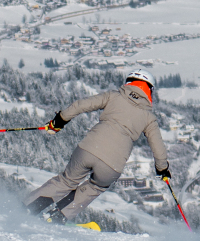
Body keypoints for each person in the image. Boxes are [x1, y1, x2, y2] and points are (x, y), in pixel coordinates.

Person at [24, 71, 170, 223]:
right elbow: (159, 149)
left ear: (129, 83)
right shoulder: (149, 118)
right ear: (149, 90)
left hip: (89, 149)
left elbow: (80, 105)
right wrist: (162, 170)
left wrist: (59, 121)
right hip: (112, 165)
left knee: (66, 182)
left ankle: (27, 208)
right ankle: (56, 217)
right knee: (95, 188)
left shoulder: (113, 96)